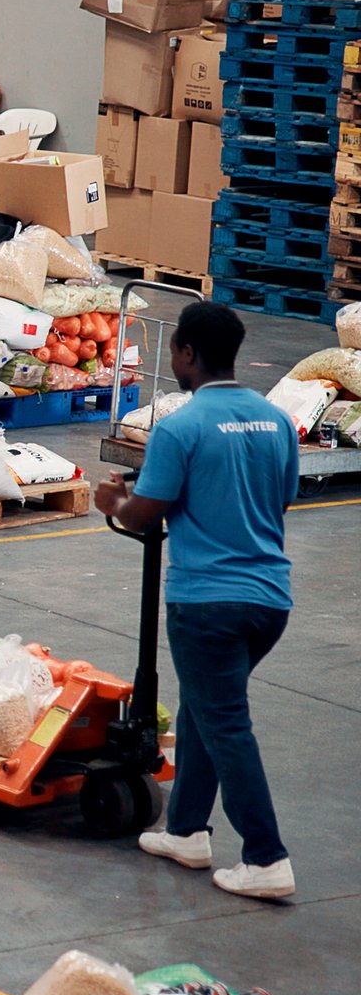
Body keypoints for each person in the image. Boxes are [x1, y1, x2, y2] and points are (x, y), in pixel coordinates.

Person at [95, 301, 301, 901]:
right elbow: (281, 498)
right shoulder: (276, 421)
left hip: (206, 601)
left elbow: (144, 514)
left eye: (174, 352)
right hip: (269, 599)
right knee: (206, 709)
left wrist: (114, 502)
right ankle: (186, 830)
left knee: (226, 722)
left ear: (187, 353)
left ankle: (266, 857)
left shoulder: (180, 427)